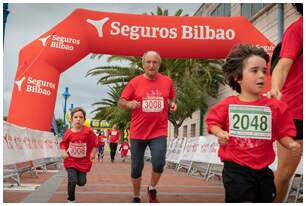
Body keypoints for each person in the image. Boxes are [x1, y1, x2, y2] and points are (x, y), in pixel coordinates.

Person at [205, 45, 302, 203]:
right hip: (236, 169)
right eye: (255, 71)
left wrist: (291, 144)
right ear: (238, 77)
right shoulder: (227, 105)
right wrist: (219, 132)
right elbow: (213, 122)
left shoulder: (275, 107)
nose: (262, 76)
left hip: (263, 170)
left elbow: (281, 133)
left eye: (264, 71)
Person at [118, 50, 177, 203]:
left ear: (159, 64)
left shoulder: (167, 81)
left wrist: (172, 104)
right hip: (138, 132)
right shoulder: (135, 82)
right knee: (136, 167)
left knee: (159, 163)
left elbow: (171, 97)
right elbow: (121, 102)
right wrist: (129, 104)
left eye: (155, 62)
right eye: (148, 62)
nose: (152, 65)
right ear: (143, 64)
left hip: (159, 131)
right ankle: (136, 196)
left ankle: (151, 188)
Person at [266, 3, 303, 202]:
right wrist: (276, 88)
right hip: (296, 111)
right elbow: (282, 65)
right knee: (285, 174)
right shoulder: (298, 29)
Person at [60, 107, 98, 203]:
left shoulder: (88, 131)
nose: (78, 119)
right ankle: (71, 200)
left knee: (81, 182)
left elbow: (94, 144)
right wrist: (63, 151)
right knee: (72, 180)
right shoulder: (68, 132)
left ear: (84, 120)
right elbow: (63, 144)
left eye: (81, 117)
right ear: (71, 119)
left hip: (83, 162)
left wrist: (93, 153)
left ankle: (77, 178)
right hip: (71, 161)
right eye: (76, 117)